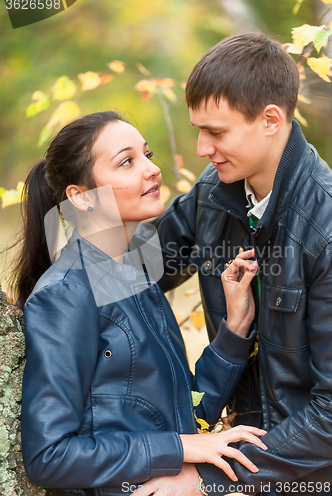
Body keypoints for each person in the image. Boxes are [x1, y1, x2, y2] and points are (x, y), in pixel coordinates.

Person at [11, 111, 267, 496]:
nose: (151, 169)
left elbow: (184, 414)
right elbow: (50, 456)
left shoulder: (136, 277)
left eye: (147, 154)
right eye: (127, 161)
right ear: (81, 198)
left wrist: (235, 327)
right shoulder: (65, 296)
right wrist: (178, 447)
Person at [141, 32, 332, 495]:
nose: (203, 148)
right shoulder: (213, 194)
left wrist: (205, 478)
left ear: (271, 119)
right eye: (198, 131)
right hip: (239, 461)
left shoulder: (324, 227)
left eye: (217, 132)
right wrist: (80, 197)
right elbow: (129, 273)